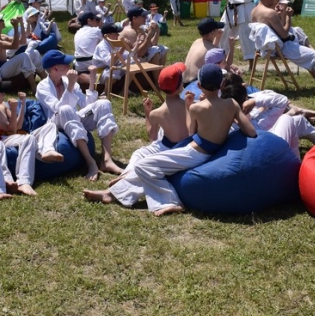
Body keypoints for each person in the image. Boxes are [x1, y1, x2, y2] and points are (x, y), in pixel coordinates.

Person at [83, 63, 257, 216]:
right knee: (148, 164)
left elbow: (191, 131)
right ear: (221, 84)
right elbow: (251, 132)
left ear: (198, 84)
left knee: (144, 165)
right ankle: (113, 191)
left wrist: (189, 106)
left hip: (196, 152)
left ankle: (170, 201)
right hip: (206, 150)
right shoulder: (232, 104)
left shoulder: (197, 108)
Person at [36, 50, 124, 180]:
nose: (69, 65)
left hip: (74, 116)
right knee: (65, 109)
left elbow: (86, 103)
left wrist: (92, 80)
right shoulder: (42, 87)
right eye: (65, 64)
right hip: (56, 122)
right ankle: (90, 162)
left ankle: (107, 159)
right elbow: (59, 108)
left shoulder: (67, 80)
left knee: (103, 103)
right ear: (55, 68)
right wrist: (71, 85)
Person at [0, 77, 63, 196]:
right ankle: (24, 182)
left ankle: (47, 151)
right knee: (29, 138)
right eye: (1, 92)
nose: (4, 94)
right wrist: (13, 109)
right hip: (3, 139)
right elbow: (11, 130)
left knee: (50, 126)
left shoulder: (1, 105)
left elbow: (18, 124)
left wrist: (22, 105)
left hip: (14, 135)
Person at [222, 72, 315, 160]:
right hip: (273, 152)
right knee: (288, 120)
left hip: (266, 141)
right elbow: (282, 100)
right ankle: (301, 162)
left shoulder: (224, 119)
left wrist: (255, 104)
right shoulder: (255, 124)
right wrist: (255, 103)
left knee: (297, 120)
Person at [250, 0, 315, 89]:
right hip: (280, 47)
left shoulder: (254, 11)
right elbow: (283, 34)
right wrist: (288, 17)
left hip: (267, 47)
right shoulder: (270, 13)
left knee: (307, 48)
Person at [183, 18, 224, 85]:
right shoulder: (212, 48)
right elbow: (223, 64)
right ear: (212, 32)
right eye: (217, 28)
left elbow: (210, 51)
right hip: (196, 82)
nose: (219, 29)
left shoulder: (196, 42)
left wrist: (217, 38)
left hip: (184, 81)